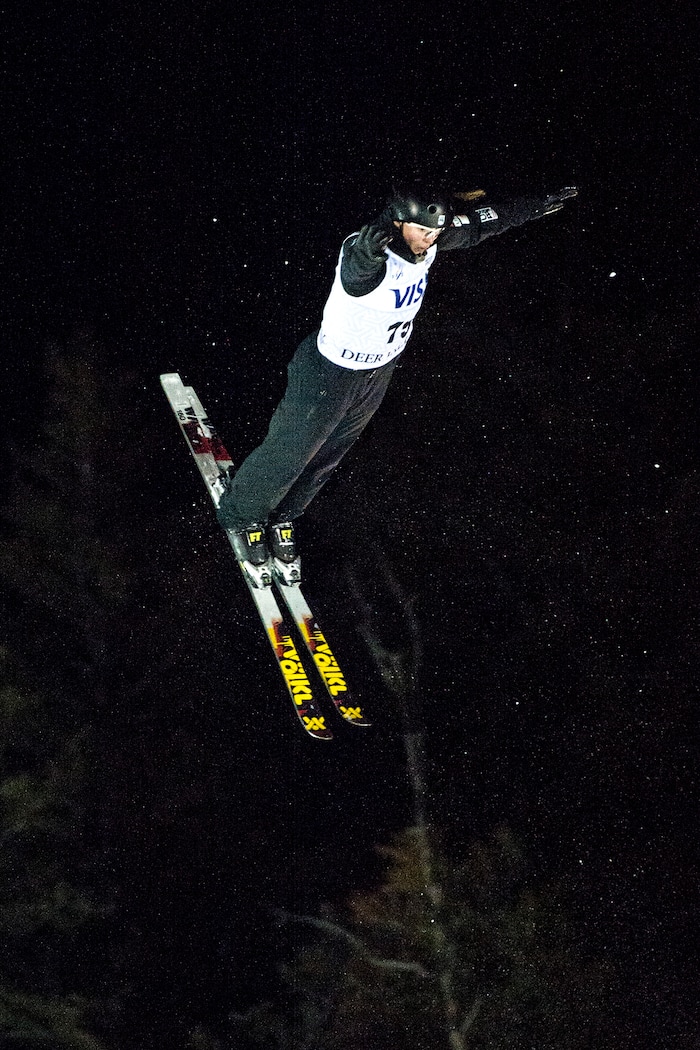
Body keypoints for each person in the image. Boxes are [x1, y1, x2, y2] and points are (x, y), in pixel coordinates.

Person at [217, 184, 578, 585]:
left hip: (377, 372)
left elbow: (480, 224)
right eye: (423, 231)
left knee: (331, 453)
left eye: (436, 232)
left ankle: (285, 515)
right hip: (330, 371)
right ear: (398, 221)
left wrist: (534, 204)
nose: (431, 239)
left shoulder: (429, 236)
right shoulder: (369, 249)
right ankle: (242, 514)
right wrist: (365, 254)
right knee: (293, 449)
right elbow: (355, 273)